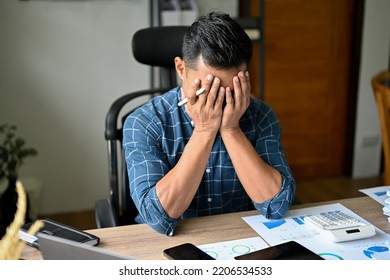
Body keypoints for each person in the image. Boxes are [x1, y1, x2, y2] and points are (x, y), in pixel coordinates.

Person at [123, 11, 296, 236]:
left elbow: (277, 205)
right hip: (169, 243)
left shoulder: (261, 116)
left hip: (238, 237)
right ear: (181, 69)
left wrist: (231, 129)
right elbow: (158, 218)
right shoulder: (144, 122)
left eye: (231, 89)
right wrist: (204, 130)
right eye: (209, 89)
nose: (220, 100)